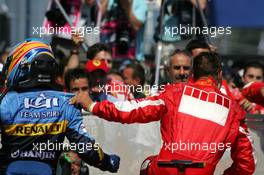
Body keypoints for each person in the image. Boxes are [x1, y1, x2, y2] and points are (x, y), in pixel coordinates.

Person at [71, 52, 255, 175]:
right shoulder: (234, 111)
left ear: (193, 74)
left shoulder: (174, 93)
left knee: (146, 165)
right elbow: (247, 164)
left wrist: (93, 106)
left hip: (165, 168)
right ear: (220, 75)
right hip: (202, 172)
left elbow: (131, 110)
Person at [0, 38, 120, 175]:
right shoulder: (67, 102)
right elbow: (86, 148)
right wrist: (108, 161)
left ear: (24, 66)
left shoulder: (5, 101)